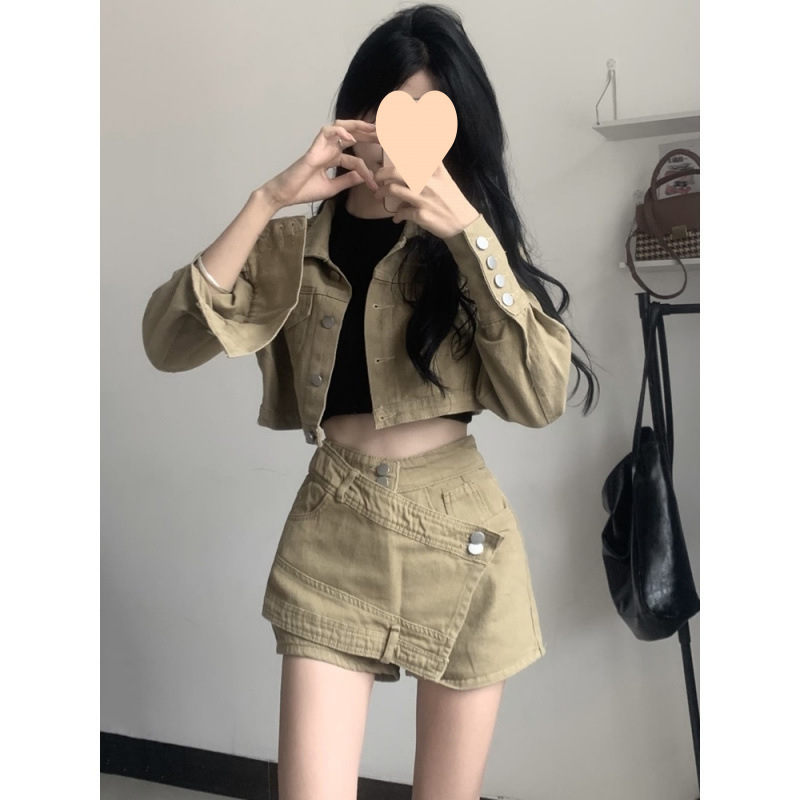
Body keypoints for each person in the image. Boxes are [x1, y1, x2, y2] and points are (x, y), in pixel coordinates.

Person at [142, 4, 597, 798]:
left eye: (432, 119)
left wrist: (470, 234)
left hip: (461, 538)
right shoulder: (292, 246)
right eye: (390, 115)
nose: (405, 143)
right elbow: (167, 341)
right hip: (335, 528)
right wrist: (269, 197)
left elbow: (541, 396)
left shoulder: (469, 244)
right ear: (356, 117)